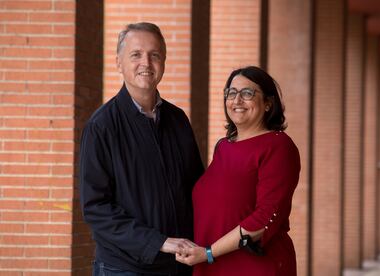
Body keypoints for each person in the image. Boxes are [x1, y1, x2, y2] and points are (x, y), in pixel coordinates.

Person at [79, 22, 204, 276]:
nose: (146, 63)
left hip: (178, 266)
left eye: (154, 55)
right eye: (136, 54)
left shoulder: (178, 120)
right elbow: (96, 208)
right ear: (118, 62)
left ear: (164, 62)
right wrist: (158, 242)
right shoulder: (101, 126)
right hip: (124, 268)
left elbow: (197, 187)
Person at [175, 66, 301, 275]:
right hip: (212, 263)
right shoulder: (223, 146)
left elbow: (265, 217)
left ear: (268, 103)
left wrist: (208, 252)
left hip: (253, 266)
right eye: (231, 93)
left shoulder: (279, 147)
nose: (237, 100)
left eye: (247, 93)